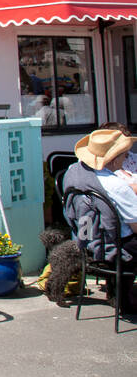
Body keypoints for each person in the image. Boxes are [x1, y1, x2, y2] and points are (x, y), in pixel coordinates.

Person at [62, 129, 137, 305]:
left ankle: (118, 292)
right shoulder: (115, 185)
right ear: (113, 159)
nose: (127, 158)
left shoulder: (73, 171)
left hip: (86, 238)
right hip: (112, 246)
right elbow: (135, 226)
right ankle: (124, 298)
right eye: (124, 155)